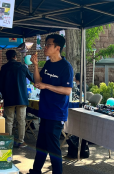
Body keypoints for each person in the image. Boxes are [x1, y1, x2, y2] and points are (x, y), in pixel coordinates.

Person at [28, 34, 74, 174]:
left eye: (48, 45)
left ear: (57, 48)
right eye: (45, 44)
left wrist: (46, 86)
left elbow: (67, 90)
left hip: (56, 112)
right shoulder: (48, 63)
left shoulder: (66, 67)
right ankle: (36, 170)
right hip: (45, 110)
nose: (45, 47)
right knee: (41, 144)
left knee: (53, 148)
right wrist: (35, 66)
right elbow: (38, 81)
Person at [0, 50, 33, 148]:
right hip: (21, 98)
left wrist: (5, 92)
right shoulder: (22, 67)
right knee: (21, 120)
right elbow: (32, 78)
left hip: (9, 98)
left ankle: (9, 141)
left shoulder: (4, 68)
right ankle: (21, 141)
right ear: (15, 57)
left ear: (7, 57)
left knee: (9, 120)